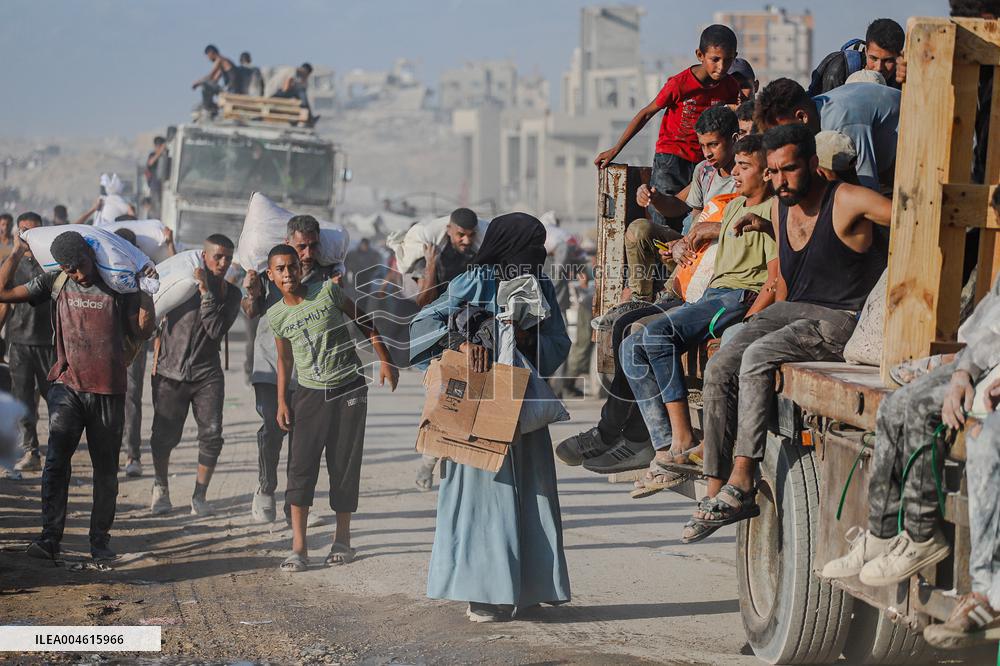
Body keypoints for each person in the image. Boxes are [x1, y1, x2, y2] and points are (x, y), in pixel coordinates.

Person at [683, 124, 890, 543]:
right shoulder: (778, 207)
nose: (780, 181)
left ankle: (742, 481)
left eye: (789, 170)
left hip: (842, 318)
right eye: (773, 172)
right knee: (726, 355)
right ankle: (713, 490)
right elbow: (786, 265)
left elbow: (916, 219)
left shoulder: (847, 199)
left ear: (813, 164)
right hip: (794, 310)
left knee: (759, 355)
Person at [823, 188, 1000, 621]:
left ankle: (922, 535)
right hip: (984, 362)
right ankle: (882, 533)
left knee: (925, 412)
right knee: (896, 405)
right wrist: (961, 369)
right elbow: (987, 329)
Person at [409, 213, 571, 623]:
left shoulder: (541, 284)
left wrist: (527, 336)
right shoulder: (474, 279)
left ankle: (528, 588)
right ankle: (481, 593)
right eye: (526, 248)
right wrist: (465, 344)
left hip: (523, 408)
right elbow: (425, 324)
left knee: (531, 496)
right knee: (481, 498)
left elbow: (558, 342)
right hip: (478, 411)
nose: (534, 257)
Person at [622, 133, 779, 499]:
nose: (735, 174)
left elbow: (775, 273)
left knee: (657, 335)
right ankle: (666, 452)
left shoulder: (772, 211)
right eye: (735, 166)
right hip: (711, 293)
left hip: (738, 296)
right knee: (631, 344)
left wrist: (754, 316)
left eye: (744, 167)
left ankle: (684, 439)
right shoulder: (733, 205)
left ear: (767, 173)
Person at [0, 231, 155, 560]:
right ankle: (49, 539)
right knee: (55, 465)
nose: (79, 274)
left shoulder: (118, 283)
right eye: (71, 269)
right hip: (67, 388)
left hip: (109, 391)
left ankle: (99, 543)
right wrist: (14, 253)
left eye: (82, 265)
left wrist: (146, 291)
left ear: (91, 253)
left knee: (106, 471)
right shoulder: (55, 282)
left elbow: (142, 330)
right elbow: (3, 292)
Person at [267, 244, 398, 572]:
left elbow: (364, 320)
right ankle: (299, 547)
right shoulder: (277, 315)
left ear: (301, 268)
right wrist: (282, 400)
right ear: (271, 275)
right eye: (280, 269)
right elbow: (284, 360)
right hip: (309, 395)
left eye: (292, 267)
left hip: (349, 390)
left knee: (344, 464)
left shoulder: (327, 292)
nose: (287, 274)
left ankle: (342, 540)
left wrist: (385, 359)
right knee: (300, 468)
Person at [242, 215, 339, 523]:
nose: (308, 254)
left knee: (303, 441)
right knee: (273, 428)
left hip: (310, 370)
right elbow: (251, 311)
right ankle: (265, 489)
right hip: (271, 366)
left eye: (313, 246)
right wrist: (252, 293)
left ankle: (295, 506)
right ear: (288, 244)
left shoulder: (328, 275)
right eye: (301, 246)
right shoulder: (272, 272)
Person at [594, 25, 740, 231]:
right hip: (671, 160)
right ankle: (658, 261)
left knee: (699, 216)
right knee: (661, 215)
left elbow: (742, 120)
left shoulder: (731, 86)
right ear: (700, 55)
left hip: (705, 161)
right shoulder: (680, 84)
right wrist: (616, 149)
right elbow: (646, 113)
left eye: (728, 60)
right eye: (715, 59)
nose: (721, 66)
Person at [149, 235, 240, 516]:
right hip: (169, 372)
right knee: (163, 437)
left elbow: (215, 330)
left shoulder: (230, 294)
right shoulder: (182, 284)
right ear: (204, 255)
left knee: (212, 435)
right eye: (218, 257)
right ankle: (160, 487)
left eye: (228, 257)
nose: (223, 263)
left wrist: (205, 292)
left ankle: (199, 496)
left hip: (206, 375)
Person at [615, 104, 740, 310]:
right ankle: (639, 301)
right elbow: (681, 207)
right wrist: (654, 198)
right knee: (639, 229)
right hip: (691, 249)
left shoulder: (746, 173)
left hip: (719, 255)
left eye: (713, 145)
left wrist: (690, 241)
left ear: (734, 139)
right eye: (702, 146)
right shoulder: (704, 171)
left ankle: (667, 296)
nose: (707, 153)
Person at [754, 77, 899, 192]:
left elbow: (868, 187)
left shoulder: (843, 120)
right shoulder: (817, 108)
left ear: (802, 116)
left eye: (784, 133)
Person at [1, 213, 55, 473]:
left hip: (49, 343)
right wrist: (16, 251)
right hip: (20, 341)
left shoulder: (52, 264)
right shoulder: (11, 263)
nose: (27, 237)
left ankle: (57, 452)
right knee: (22, 399)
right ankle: (30, 451)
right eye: (23, 231)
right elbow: (3, 298)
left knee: (55, 400)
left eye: (33, 232)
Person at [414, 208, 479, 308]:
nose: (467, 241)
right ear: (449, 230)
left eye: (471, 235)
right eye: (461, 234)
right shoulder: (430, 256)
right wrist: (431, 266)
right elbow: (423, 302)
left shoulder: (476, 258)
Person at [192, 45, 239, 116]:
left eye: (208, 56)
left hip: (231, 90)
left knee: (206, 84)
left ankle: (209, 108)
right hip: (229, 89)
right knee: (208, 86)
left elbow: (210, 75)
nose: (209, 59)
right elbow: (215, 79)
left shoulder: (220, 59)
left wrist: (198, 82)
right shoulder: (223, 63)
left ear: (211, 53)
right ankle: (210, 106)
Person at [864, 18, 905, 89]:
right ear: (865, 51)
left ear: (900, 57)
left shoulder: (907, 81)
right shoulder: (843, 70)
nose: (879, 68)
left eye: (888, 61)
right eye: (873, 58)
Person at [145, 137, 168, 218]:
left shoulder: (166, 155)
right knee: (155, 209)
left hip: (164, 187)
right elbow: (150, 163)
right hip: (155, 187)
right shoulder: (153, 155)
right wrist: (159, 153)